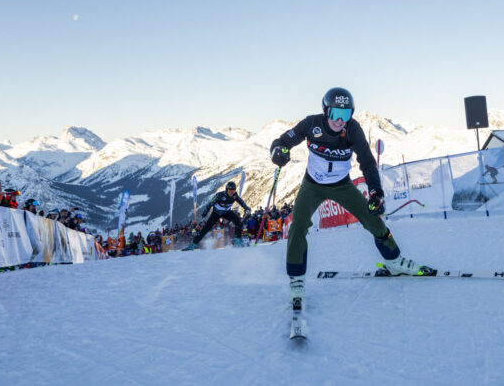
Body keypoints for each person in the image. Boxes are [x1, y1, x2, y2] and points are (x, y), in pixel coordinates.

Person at [269, 87, 434, 307]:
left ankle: (394, 262)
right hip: (312, 185)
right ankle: (296, 280)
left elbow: (366, 161)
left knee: (372, 219)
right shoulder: (311, 124)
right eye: (335, 114)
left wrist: (376, 191)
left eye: (346, 115)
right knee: (299, 225)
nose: (340, 120)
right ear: (326, 111)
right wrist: (278, 151)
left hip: (341, 185)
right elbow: (283, 141)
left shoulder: (353, 130)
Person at [184, 181, 250, 250]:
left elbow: (242, 202)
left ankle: (237, 241)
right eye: (230, 190)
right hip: (216, 213)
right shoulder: (219, 195)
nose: (231, 192)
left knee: (237, 221)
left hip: (226, 212)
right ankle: (193, 244)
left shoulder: (235, 196)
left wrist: (247, 208)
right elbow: (210, 204)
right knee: (206, 228)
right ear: (226, 189)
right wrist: (204, 214)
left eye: (233, 191)